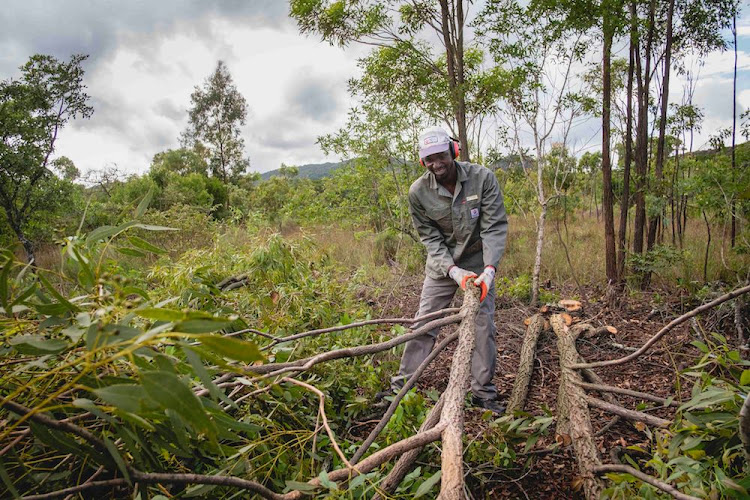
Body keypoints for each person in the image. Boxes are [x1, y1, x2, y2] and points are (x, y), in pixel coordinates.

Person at [386, 126, 508, 414]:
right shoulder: (418, 192)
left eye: (441, 156)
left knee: (482, 327)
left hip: (479, 266)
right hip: (442, 268)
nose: (436, 164)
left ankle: (483, 393)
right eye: (429, 159)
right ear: (422, 162)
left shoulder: (482, 178)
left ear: (453, 151)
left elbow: (494, 227)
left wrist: (489, 269)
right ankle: (400, 388)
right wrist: (453, 271)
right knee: (424, 324)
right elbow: (429, 238)